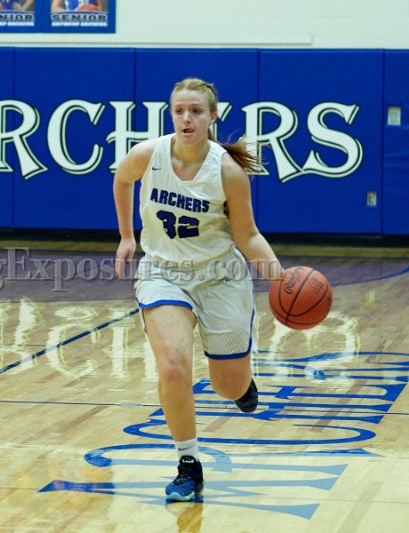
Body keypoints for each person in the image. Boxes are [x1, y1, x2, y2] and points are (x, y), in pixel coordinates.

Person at [112, 77, 283, 501]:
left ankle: (242, 385)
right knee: (173, 365)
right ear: (171, 115)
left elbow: (247, 235)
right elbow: (122, 179)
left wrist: (281, 277)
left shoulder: (227, 171)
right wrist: (127, 236)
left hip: (219, 276)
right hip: (163, 272)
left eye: (195, 111)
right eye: (179, 111)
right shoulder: (148, 155)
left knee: (228, 387)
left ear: (211, 117)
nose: (186, 118)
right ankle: (188, 462)